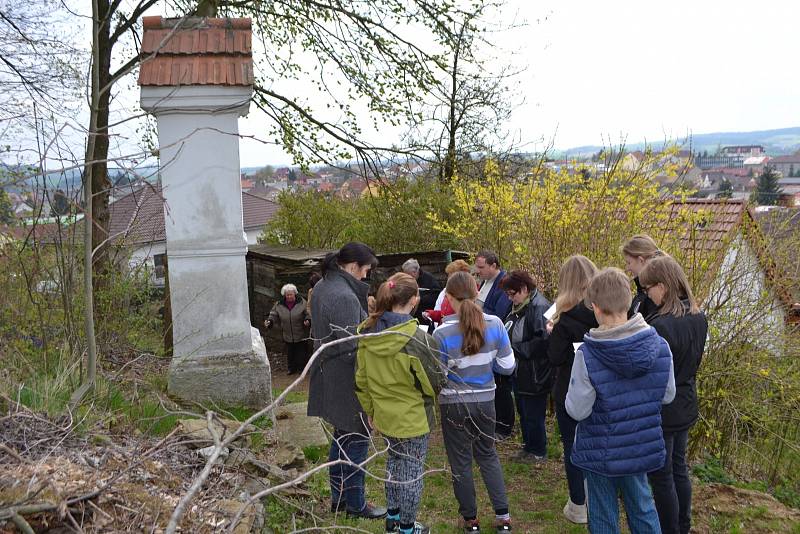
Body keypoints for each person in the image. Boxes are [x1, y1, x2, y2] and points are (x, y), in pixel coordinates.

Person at [566, 267, 675, 534]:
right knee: (643, 507)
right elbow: (668, 395)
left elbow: (577, 410)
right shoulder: (660, 345)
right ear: (629, 302)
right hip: (640, 445)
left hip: (600, 450)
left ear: (595, 307)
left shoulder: (588, 354)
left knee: (603, 515)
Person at [355, 273, 446, 534]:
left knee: (394, 464)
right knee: (412, 473)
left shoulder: (368, 332)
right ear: (415, 300)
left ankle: (393, 518)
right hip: (412, 417)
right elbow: (434, 383)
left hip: (383, 414)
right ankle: (407, 528)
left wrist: (371, 411)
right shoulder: (417, 340)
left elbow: (361, 380)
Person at [307, 242, 386, 519]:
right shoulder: (342, 295)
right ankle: (356, 504)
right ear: (353, 267)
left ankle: (339, 499)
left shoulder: (325, 286)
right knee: (356, 440)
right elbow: (350, 346)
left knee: (343, 440)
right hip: (347, 380)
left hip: (333, 375)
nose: (366, 276)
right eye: (365, 270)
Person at [434, 271, 516, 533]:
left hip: (453, 403)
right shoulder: (496, 324)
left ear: (448, 297)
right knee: (488, 456)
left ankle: (471, 520)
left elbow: (439, 376)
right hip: (486, 401)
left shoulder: (442, 332)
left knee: (460, 461)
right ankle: (503, 517)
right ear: (477, 291)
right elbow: (507, 366)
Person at [640, 256, 708, 534]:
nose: (647, 294)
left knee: (662, 475)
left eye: (648, 289)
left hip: (664, 407)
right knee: (679, 468)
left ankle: (670, 529)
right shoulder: (698, 316)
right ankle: (683, 525)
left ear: (663, 286)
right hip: (687, 401)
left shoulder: (660, 326)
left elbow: (652, 374)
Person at [546, 255, 598, 524]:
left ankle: (579, 503)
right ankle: (599, 499)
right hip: (601, 389)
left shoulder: (566, 320)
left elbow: (554, 357)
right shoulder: (605, 311)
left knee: (573, 447)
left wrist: (552, 332)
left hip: (571, 389)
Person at [498, 270, 552, 463]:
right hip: (520, 371)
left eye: (512, 294)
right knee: (524, 411)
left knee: (533, 414)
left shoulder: (539, 307)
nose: (510, 298)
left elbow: (543, 341)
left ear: (524, 289)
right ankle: (529, 447)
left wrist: (514, 349)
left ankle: (538, 451)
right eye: (508, 294)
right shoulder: (518, 306)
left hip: (534, 372)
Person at [474, 250, 514, 439]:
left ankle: (504, 427)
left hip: (497, 339)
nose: (478, 271)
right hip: (484, 336)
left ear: (494, 266)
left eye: (481, 267)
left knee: (502, 385)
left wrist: (478, 311)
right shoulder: (486, 281)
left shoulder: (503, 283)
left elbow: (499, 314)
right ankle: (495, 423)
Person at [264, 283, 310, 375]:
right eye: (287, 295)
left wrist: (307, 320)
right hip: (287, 333)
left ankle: (301, 369)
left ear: (295, 294)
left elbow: (307, 313)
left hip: (300, 333)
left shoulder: (302, 302)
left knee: (301, 352)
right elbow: (273, 314)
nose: (289, 296)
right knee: (290, 353)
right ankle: (291, 369)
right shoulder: (279, 305)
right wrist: (270, 321)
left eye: (291, 294)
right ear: (284, 295)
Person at [622, 234, 663, 319]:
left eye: (629, 263)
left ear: (641, 260)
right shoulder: (642, 292)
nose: (627, 268)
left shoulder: (653, 295)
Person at [425, 259, 473, 326]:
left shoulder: (469, 294)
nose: (448, 279)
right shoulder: (444, 291)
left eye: (451, 276)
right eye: (449, 275)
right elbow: (442, 314)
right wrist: (430, 314)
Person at [401, 258, 442, 325]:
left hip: (426, 317)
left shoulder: (429, 279)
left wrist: (420, 299)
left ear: (414, 272)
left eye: (408, 274)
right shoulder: (407, 280)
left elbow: (436, 296)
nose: (406, 276)